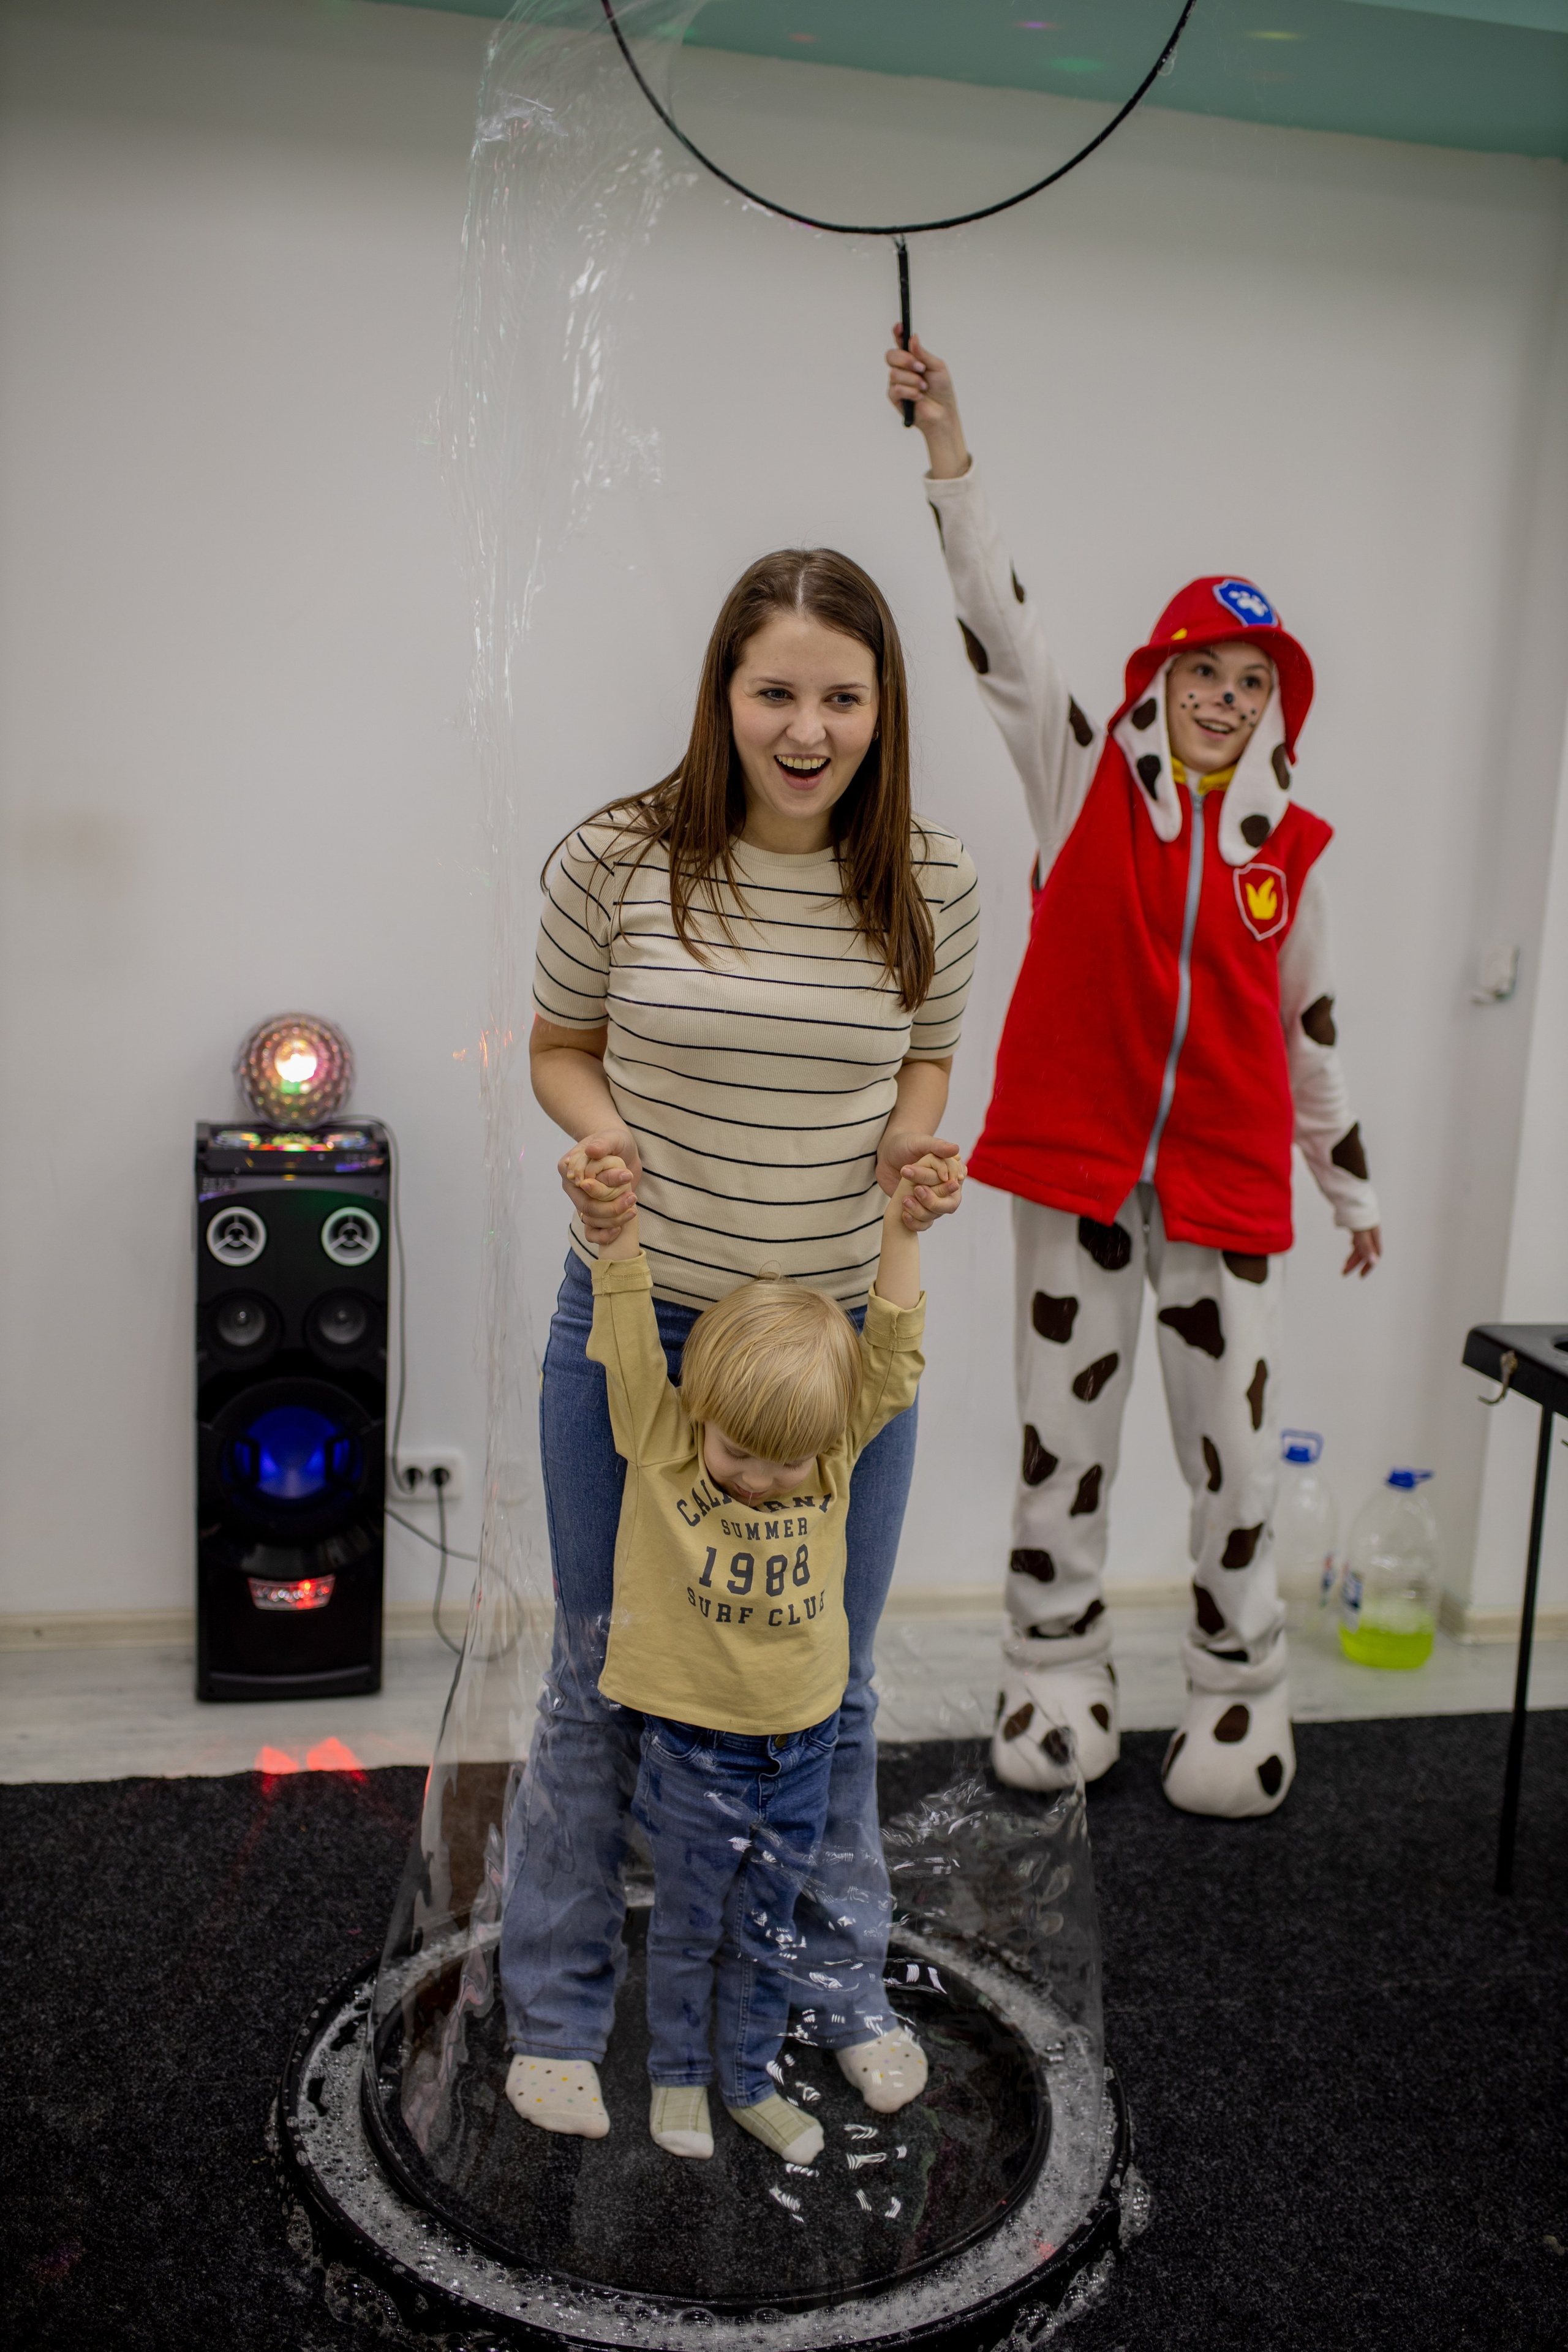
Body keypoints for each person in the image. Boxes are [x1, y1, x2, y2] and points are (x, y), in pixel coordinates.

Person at [498, 545, 979, 2131]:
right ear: (723, 693)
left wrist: (912, 1150)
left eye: (842, 697)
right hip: (642, 1321)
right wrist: (603, 1138)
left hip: (833, 1353)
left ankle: (834, 1986)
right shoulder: (618, 856)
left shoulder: (932, 879)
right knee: (599, 1666)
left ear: (881, 708)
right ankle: (559, 2011)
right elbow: (559, 1045)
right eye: (775, 691)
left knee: (834, 1678)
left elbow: (924, 1063)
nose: (806, 728)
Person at [883, 332, 1381, 1820]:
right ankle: (1052, 1672)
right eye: (1200, 670)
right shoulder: (1080, 776)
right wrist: (948, 449)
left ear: (1275, 705)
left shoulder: (1290, 857)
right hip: (1076, 1168)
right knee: (1063, 1439)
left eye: (1250, 681)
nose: (1222, 698)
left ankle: (1240, 1689)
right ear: (1158, 677)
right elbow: (998, 625)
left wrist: (1346, 1185)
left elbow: (1310, 1026)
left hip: (1225, 1184)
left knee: (1231, 1457)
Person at [513, 1147, 941, 2164]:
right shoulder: (664, 1441)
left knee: (764, 1928)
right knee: (686, 1925)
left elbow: (892, 1355)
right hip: (691, 1755)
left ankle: (749, 2080)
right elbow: (628, 1341)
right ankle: (674, 2079)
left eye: (782, 1462)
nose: (756, 1480)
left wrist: (904, 1230)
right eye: (737, 1453)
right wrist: (616, 1234)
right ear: (700, 1412)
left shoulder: (832, 1453)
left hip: (799, 1751)